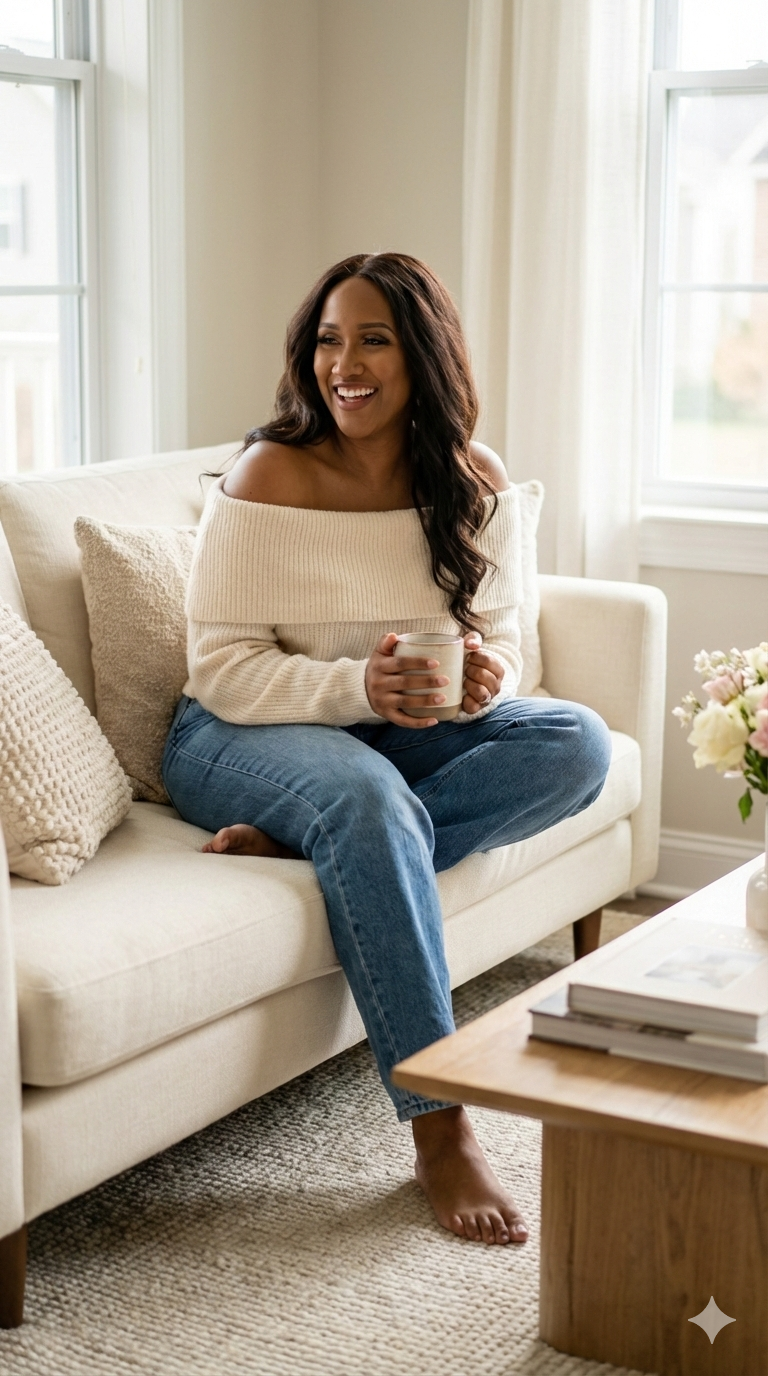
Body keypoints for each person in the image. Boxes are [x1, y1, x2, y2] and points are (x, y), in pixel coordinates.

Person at [162, 252, 611, 1247]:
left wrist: (488, 670)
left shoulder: (470, 477)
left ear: (423, 353)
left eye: (374, 338)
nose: (345, 364)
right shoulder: (269, 473)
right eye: (328, 339)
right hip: (237, 732)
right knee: (365, 801)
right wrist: (354, 684)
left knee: (576, 742)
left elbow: (505, 638)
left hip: (388, 739)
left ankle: (333, 846)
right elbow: (222, 667)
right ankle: (441, 1126)